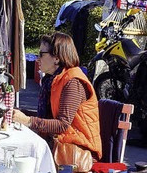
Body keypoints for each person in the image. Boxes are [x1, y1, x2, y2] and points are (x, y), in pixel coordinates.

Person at [12, 32, 101, 163]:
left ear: (57, 58)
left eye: (41, 54)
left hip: (78, 152)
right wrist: (21, 113)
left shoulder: (73, 82)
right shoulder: (53, 79)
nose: (37, 59)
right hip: (62, 143)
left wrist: (27, 120)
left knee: (16, 155)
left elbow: (62, 125)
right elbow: (49, 117)